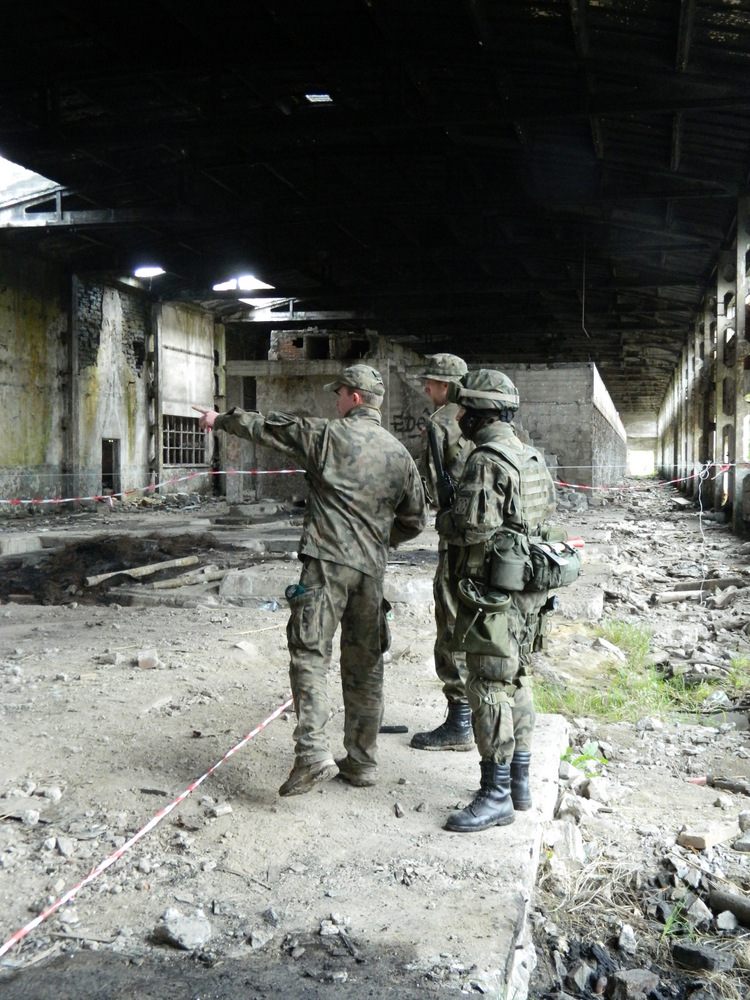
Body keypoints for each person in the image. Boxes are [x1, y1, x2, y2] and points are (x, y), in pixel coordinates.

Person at [194, 364, 427, 797]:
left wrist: (219, 419)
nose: (335, 400)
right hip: (371, 572)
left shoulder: (326, 435)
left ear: (354, 397)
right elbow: (415, 520)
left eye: (339, 393)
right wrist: (379, 540)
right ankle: (362, 762)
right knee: (366, 665)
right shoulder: (400, 455)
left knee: (310, 655)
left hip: (326, 565)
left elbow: (267, 428)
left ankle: (313, 753)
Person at [434, 369, 556, 833]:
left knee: (487, 685)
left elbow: (471, 528)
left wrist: (444, 516)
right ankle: (519, 784)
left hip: (493, 595)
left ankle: (496, 794)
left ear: (479, 414)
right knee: (518, 679)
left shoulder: (486, 460)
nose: (459, 417)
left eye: (464, 409)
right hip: (528, 590)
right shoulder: (530, 456)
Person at [409, 353, 476, 752]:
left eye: (431, 382)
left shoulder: (441, 422)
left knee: (450, 620)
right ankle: (483, 712)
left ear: (447, 386)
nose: (426, 388)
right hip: (489, 535)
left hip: (457, 534)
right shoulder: (486, 415)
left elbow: (437, 485)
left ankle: (460, 722)